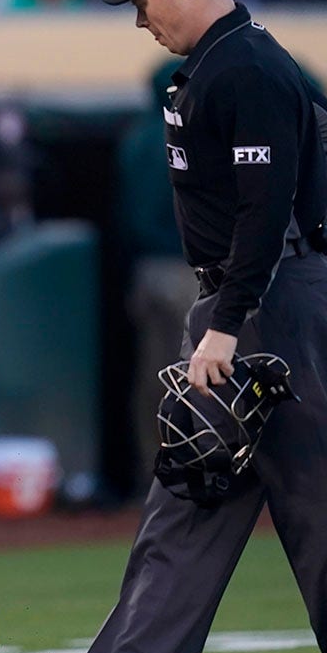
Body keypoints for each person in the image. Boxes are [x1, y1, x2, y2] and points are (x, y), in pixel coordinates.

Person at [85, 0, 327, 653]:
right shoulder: (223, 65)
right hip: (247, 298)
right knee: (192, 491)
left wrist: (230, 321)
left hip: (265, 305)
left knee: (318, 505)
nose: (138, 15)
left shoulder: (248, 67)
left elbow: (266, 213)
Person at [117, 57, 197, 490]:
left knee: (153, 376)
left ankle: (153, 472)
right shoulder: (182, 133)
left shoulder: (134, 138)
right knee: (192, 376)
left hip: (144, 271)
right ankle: (187, 472)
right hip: (184, 268)